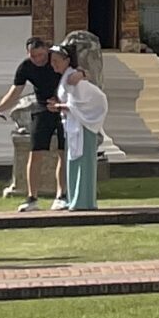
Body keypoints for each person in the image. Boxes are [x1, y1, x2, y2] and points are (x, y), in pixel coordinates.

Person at [0, 38, 63, 211]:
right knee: (35, 153)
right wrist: (0, 107)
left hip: (64, 108)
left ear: (47, 50)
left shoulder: (58, 58)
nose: (38, 60)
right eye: (33, 56)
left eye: (41, 55)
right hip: (43, 108)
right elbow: (15, 91)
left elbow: (76, 76)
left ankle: (61, 195)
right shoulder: (26, 67)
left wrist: (61, 100)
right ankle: (32, 198)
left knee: (62, 152)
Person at [51, 49, 109, 212]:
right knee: (73, 162)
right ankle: (75, 198)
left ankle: (83, 200)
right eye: (52, 60)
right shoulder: (66, 78)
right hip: (72, 125)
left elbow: (92, 99)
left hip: (83, 126)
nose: (54, 64)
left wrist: (61, 107)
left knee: (83, 163)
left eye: (57, 60)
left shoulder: (73, 78)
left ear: (67, 60)